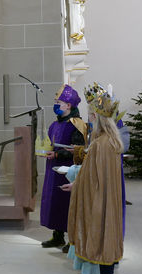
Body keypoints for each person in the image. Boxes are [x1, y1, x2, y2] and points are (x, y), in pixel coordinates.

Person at [62, 92, 124, 274]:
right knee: (108, 240)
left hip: (98, 200)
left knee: (100, 238)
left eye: (89, 116)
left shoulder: (100, 144)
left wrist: (75, 185)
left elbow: (91, 178)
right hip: (109, 199)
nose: (88, 119)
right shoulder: (113, 142)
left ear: (95, 117)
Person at [40, 84, 86, 253]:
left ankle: (72, 240)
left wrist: (58, 155)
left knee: (67, 204)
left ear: (68, 105)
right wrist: (46, 151)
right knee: (54, 202)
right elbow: (51, 144)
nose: (55, 105)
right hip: (53, 168)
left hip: (69, 170)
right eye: (55, 101)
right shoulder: (55, 124)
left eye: (58, 102)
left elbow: (79, 149)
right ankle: (58, 236)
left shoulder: (77, 124)